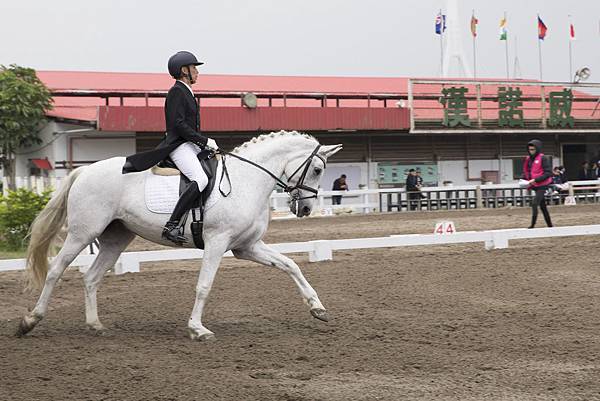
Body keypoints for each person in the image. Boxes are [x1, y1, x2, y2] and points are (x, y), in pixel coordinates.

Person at [122, 51, 218, 244]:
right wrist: (203, 140)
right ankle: (172, 225)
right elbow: (179, 125)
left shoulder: (187, 91)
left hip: (189, 144)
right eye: (194, 68)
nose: (197, 72)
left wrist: (203, 144)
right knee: (199, 179)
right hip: (178, 145)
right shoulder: (177, 91)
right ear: (184, 71)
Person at [521, 139, 553, 229]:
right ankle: (550, 226)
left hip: (542, 185)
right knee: (543, 206)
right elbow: (527, 172)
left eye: (533, 150)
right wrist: (523, 179)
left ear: (537, 149)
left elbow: (548, 173)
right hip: (534, 185)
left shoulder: (543, 158)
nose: (531, 152)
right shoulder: (528, 159)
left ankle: (532, 225)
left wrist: (536, 179)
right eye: (530, 150)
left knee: (535, 203)